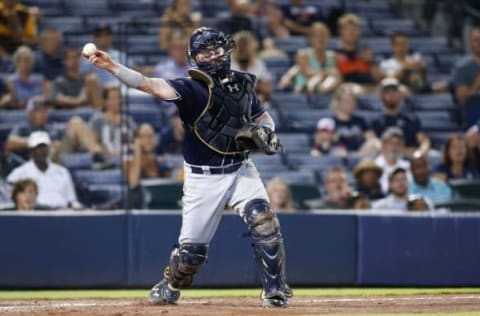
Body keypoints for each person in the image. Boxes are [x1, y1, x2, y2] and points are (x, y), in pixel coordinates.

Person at [84, 26, 291, 307]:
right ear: (195, 57)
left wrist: (266, 131)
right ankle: (170, 283)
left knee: (263, 219)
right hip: (203, 178)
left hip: (240, 167)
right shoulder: (191, 88)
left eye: (216, 48)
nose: (212, 55)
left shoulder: (242, 84)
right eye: (205, 51)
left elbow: (262, 117)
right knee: (191, 256)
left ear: (226, 50)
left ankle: (275, 291)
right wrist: (112, 67)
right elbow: (148, 84)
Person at [7, 131, 79, 209]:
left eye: (44, 147)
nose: (41, 151)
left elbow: (72, 201)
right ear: (31, 150)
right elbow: (10, 200)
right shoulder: (18, 174)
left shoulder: (62, 172)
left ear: (48, 149)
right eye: (38, 148)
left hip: (62, 214)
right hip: (35, 214)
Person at [371, 77, 430, 157]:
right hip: (386, 157)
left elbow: (424, 141)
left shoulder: (411, 118)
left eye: (394, 91)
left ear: (400, 94)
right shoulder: (376, 120)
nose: (391, 94)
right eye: (387, 92)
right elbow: (374, 142)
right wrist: (398, 151)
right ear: (381, 95)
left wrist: (419, 154)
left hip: (411, 157)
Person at [124, 123, 175, 208]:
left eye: (151, 136)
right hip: (137, 207)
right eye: (144, 136)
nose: (149, 140)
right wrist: (137, 149)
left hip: (157, 206)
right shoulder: (128, 161)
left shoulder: (158, 162)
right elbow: (133, 183)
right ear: (136, 139)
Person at [330, 84, 380, 156]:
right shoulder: (331, 122)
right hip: (340, 155)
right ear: (338, 103)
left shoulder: (361, 121)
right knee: (338, 152)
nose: (350, 104)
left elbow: (371, 139)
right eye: (346, 101)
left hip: (360, 153)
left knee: (374, 144)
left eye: (352, 101)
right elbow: (324, 141)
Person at [292, 22, 340, 94]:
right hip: (305, 88)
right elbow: (307, 73)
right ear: (311, 39)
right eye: (317, 35)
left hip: (327, 88)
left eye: (324, 35)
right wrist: (326, 73)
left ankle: (321, 90)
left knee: (334, 77)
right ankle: (315, 89)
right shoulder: (303, 54)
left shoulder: (333, 56)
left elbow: (334, 74)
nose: (321, 39)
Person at [335, 13, 381, 86]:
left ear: (359, 32)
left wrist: (371, 62)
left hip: (368, 88)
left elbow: (377, 78)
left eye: (354, 29)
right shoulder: (335, 55)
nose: (351, 32)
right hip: (347, 90)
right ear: (341, 32)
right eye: (348, 29)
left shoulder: (366, 52)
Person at [231, 31, 273, 105]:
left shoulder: (259, 64)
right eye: (240, 45)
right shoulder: (227, 64)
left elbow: (267, 88)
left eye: (246, 45)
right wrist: (256, 85)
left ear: (253, 47)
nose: (243, 48)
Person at [374, 127, 411, 194]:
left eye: (397, 144)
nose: (394, 147)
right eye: (390, 143)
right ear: (383, 145)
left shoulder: (407, 166)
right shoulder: (374, 166)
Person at [451, 26, 480, 106]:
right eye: (476, 40)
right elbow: (462, 99)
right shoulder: (462, 67)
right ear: (470, 43)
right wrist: (477, 84)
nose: (479, 42)